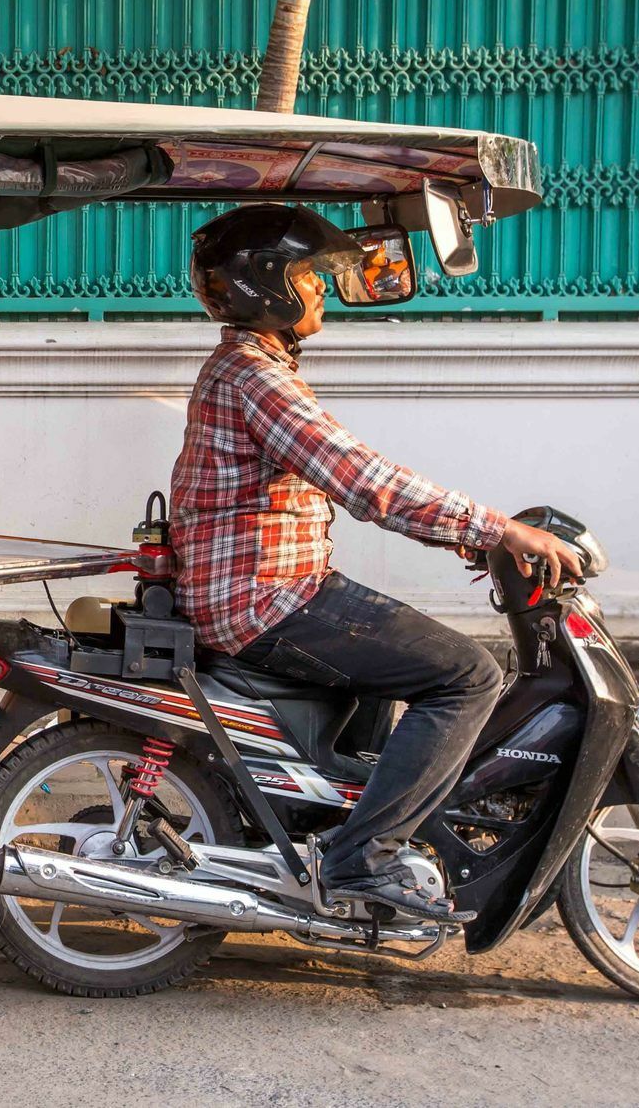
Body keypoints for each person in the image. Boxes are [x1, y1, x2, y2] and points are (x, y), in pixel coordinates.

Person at [171, 203, 581, 921]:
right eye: (308, 275)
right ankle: (362, 859)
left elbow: (358, 483)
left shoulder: (253, 368)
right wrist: (499, 529)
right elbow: (363, 479)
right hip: (265, 599)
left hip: (266, 588)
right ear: (268, 288)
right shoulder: (255, 377)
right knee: (467, 674)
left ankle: (345, 830)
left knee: (399, 669)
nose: (321, 289)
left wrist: (473, 535)